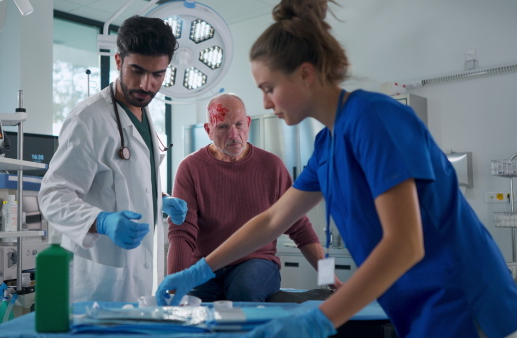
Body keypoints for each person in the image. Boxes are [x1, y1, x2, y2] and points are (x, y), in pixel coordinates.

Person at [156, 1, 517, 337]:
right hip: (417, 304)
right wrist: (196, 272)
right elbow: (272, 221)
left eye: (269, 88)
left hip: (464, 298)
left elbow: (405, 244)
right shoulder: (328, 145)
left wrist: (320, 318)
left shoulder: (375, 119)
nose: (265, 103)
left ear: (305, 74)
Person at [39, 15, 187, 303]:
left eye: (158, 74)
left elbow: (125, 181)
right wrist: (101, 221)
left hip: (139, 273)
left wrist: (160, 200)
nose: (146, 85)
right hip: (99, 279)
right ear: (118, 61)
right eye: (137, 71)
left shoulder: (143, 112)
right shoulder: (88, 119)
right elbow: (53, 195)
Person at [167, 93, 342, 303]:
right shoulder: (191, 168)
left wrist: (332, 280)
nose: (234, 134)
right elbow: (181, 232)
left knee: (244, 292)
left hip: (256, 262)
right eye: (222, 126)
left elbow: (301, 227)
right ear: (208, 130)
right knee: (189, 302)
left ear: (248, 123)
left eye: (239, 124)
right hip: (205, 265)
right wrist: (173, 288)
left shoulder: (271, 166)